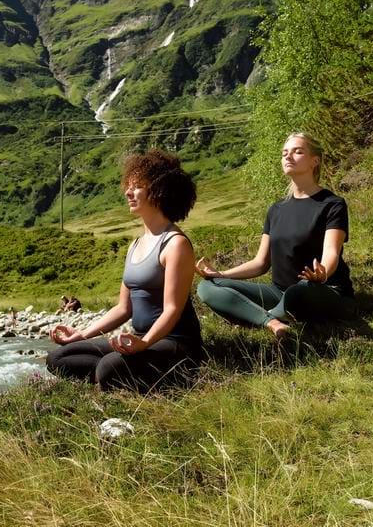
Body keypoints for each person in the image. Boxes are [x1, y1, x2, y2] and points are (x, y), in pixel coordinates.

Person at [46, 150, 202, 391]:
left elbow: (172, 309)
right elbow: (123, 308)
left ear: (160, 190)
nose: (128, 193)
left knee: (108, 367)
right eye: (128, 186)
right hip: (139, 339)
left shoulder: (175, 244)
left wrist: (145, 342)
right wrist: (81, 334)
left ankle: (132, 375)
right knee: (59, 357)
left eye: (137, 186)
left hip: (174, 343)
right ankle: (117, 375)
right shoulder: (136, 244)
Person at [195, 132, 352, 338]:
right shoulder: (276, 209)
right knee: (207, 287)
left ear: (315, 161)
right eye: (285, 153)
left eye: (298, 151)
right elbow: (260, 263)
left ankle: (255, 315)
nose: (288, 156)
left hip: (321, 291)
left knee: (299, 291)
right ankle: (273, 322)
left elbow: (332, 251)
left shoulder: (332, 204)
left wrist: (323, 273)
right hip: (280, 292)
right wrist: (221, 275)